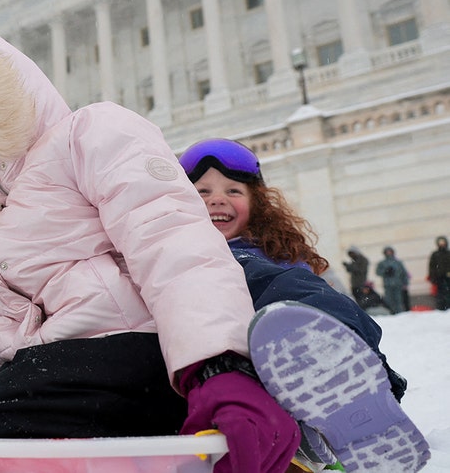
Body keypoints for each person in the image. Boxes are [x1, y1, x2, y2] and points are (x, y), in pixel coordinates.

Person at [0, 31, 300, 473]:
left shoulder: (87, 134)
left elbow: (173, 245)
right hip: (48, 366)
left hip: (130, 351)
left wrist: (218, 365)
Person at [179, 138, 429, 471]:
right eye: (203, 192)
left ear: (257, 202)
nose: (218, 200)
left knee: (309, 297)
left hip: (281, 345)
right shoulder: (183, 254)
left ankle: (361, 395)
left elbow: (329, 295)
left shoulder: (281, 256)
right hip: (229, 360)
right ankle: (317, 427)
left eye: (233, 191)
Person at [376, 246, 410, 314]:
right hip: (387, 285)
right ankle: (391, 312)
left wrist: (405, 283)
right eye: (387, 252)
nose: (389, 253)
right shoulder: (382, 263)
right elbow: (378, 272)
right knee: (389, 300)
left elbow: (404, 273)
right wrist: (385, 271)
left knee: (398, 299)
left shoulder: (398, 262)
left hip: (398, 284)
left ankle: (399, 313)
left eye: (390, 251)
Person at [428, 235, 450, 311]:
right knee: (440, 294)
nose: (442, 244)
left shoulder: (448, 253)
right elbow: (432, 267)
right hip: (439, 279)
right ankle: (441, 308)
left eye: (443, 242)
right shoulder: (435, 254)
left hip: (448, 278)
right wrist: (433, 278)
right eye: (440, 242)